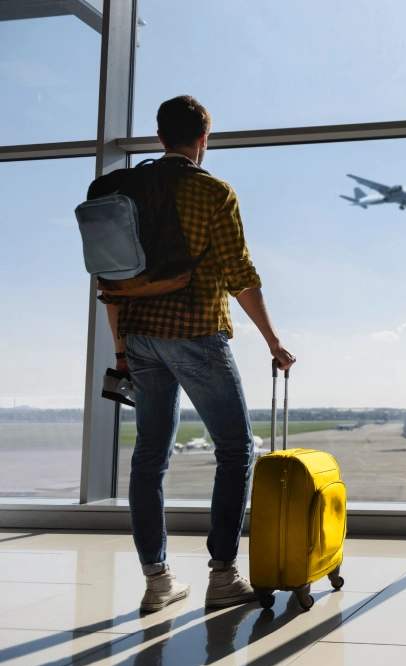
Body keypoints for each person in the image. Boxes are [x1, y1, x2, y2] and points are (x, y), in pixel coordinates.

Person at [101, 95, 295, 612]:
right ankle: (223, 574)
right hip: (195, 333)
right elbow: (240, 276)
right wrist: (273, 341)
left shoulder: (125, 191)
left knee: (150, 457)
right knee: (235, 450)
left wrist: (122, 351)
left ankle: (157, 580)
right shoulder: (213, 192)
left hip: (139, 337)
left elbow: (111, 284)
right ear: (203, 139)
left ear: (161, 135)